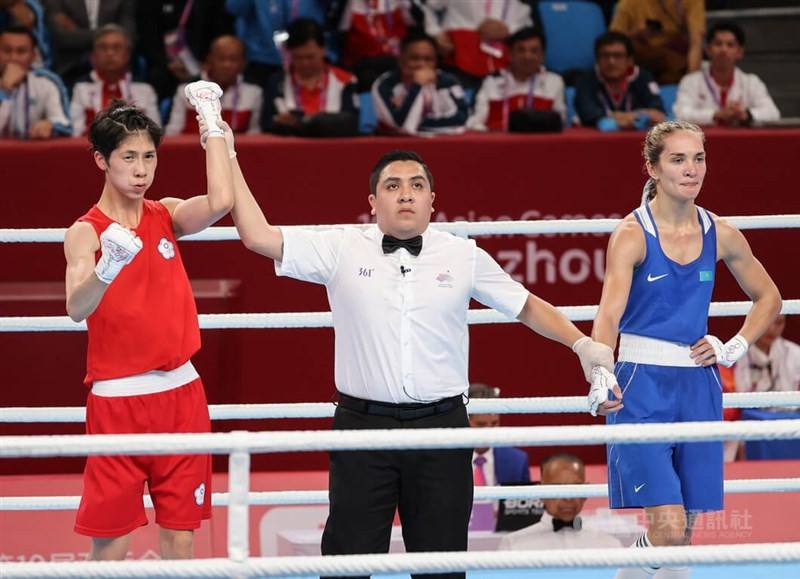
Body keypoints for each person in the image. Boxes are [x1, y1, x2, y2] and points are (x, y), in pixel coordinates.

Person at [206, 121, 615, 576]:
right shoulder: (341, 247)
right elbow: (257, 235)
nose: (406, 194)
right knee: (345, 565)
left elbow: (527, 306)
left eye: (417, 185)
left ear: (431, 201)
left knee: (440, 568)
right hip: (363, 428)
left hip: (442, 429)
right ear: (372, 202)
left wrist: (581, 343)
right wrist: (225, 148)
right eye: (393, 185)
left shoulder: (463, 254)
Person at [589, 120, 782, 579]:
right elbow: (608, 315)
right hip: (640, 384)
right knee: (669, 530)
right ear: (652, 168)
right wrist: (600, 371)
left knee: (684, 533)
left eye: (698, 157)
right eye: (678, 159)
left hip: (698, 385)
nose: (691, 168)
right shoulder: (632, 234)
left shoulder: (723, 232)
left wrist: (732, 344)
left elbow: (769, 297)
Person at [64, 85, 234, 560]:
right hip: (118, 404)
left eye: (149, 157)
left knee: (181, 535)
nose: (141, 170)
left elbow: (221, 201)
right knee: (112, 541)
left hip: (182, 396)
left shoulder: (167, 215)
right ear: (101, 160)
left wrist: (212, 127)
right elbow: (76, 307)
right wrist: (107, 267)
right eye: (128, 158)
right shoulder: (84, 232)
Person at [499, 453, 623, 550]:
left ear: (586, 491)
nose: (568, 498)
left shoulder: (610, 545)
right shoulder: (514, 545)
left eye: (575, 487)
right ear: (539, 491)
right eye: (558, 488)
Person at [261, 17, 358, 136]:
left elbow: (352, 123)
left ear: (323, 50)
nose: (305, 63)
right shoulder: (276, 83)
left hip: (334, 151)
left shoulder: (345, 81)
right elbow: (266, 124)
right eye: (298, 57)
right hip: (288, 151)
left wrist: (300, 123)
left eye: (310, 57)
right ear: (289, 52)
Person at [673, 20, 780, 127]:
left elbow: (773, 114)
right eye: (718, 44)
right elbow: (680, 114)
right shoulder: (690, 81)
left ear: (740, 52)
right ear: (708, 50)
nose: (724, 49)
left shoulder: (751, 82)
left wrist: (746, 114)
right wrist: (716, 114)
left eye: (730, 45)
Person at [372, 29, 469, 136]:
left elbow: (461, 117)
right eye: (414, 58)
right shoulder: (385, 85)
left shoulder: (448, 82)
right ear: (401, 60)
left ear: (436, 62)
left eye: (428, 59)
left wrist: (416, 122)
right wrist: (417, 85)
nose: (421, 64)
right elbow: (400, 125)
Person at [467, 27, 565, 132]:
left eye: (534, 51)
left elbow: (560, 123)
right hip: (497, 143)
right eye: (521, 50)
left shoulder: (554, 82)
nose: (527, 56)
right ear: (510, 55)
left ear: (542, 56)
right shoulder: (491, 82)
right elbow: (475, 122)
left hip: (539, 144)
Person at [70, 24, 160, 137]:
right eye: (103, 47)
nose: (109, 53)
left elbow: (155, 135)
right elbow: (74, 133)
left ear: (127, 55)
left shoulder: (145, 90)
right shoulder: (80, 88)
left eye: (116, 47)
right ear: (93, 56)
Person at [166, 34, 262, 136]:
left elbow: (254, 135)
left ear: (243, 63)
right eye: (221, 58)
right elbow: (172, 133)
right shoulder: (186, 91)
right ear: (210, 60)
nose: (227, 65)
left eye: (233, 59)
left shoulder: (253, 93)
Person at [467, 382, 530, 531]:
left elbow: (525, 515)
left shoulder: (517, 461)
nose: (489, 431)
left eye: (494, 424)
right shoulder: (446, 461)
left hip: (504, 540)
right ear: (465, 421)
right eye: (481, 425)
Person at [574, 31, 665, 131]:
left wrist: (621, 117)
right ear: (597, 60)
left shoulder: (643, 77)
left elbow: (657, 112)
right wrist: (636, 116)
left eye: (618, 56)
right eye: (605, 55)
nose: (611, 61)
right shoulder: (586, 80)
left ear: (630, 60)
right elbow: (588, 113)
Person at [43, 0, 136, 89]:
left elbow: (127, 36)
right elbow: (62, 37)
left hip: (115, 69)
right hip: (70, 68)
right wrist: (109, 35)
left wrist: (77, 31)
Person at [610, 0, 705, 85]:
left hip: (673, 60)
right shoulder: (628, 3)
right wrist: (636, 33)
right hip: (641, 59)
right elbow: (611, 42)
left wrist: (692, 82)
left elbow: (696, 43)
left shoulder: (692, 2)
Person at [0, 25, 71, 138]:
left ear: (33, 55)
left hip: (33, 153)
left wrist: (51, 126)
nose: (13, 58)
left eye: (21, 51)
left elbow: (65, 125)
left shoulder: (47, 82)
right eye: (7, 51)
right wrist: (4, 91)